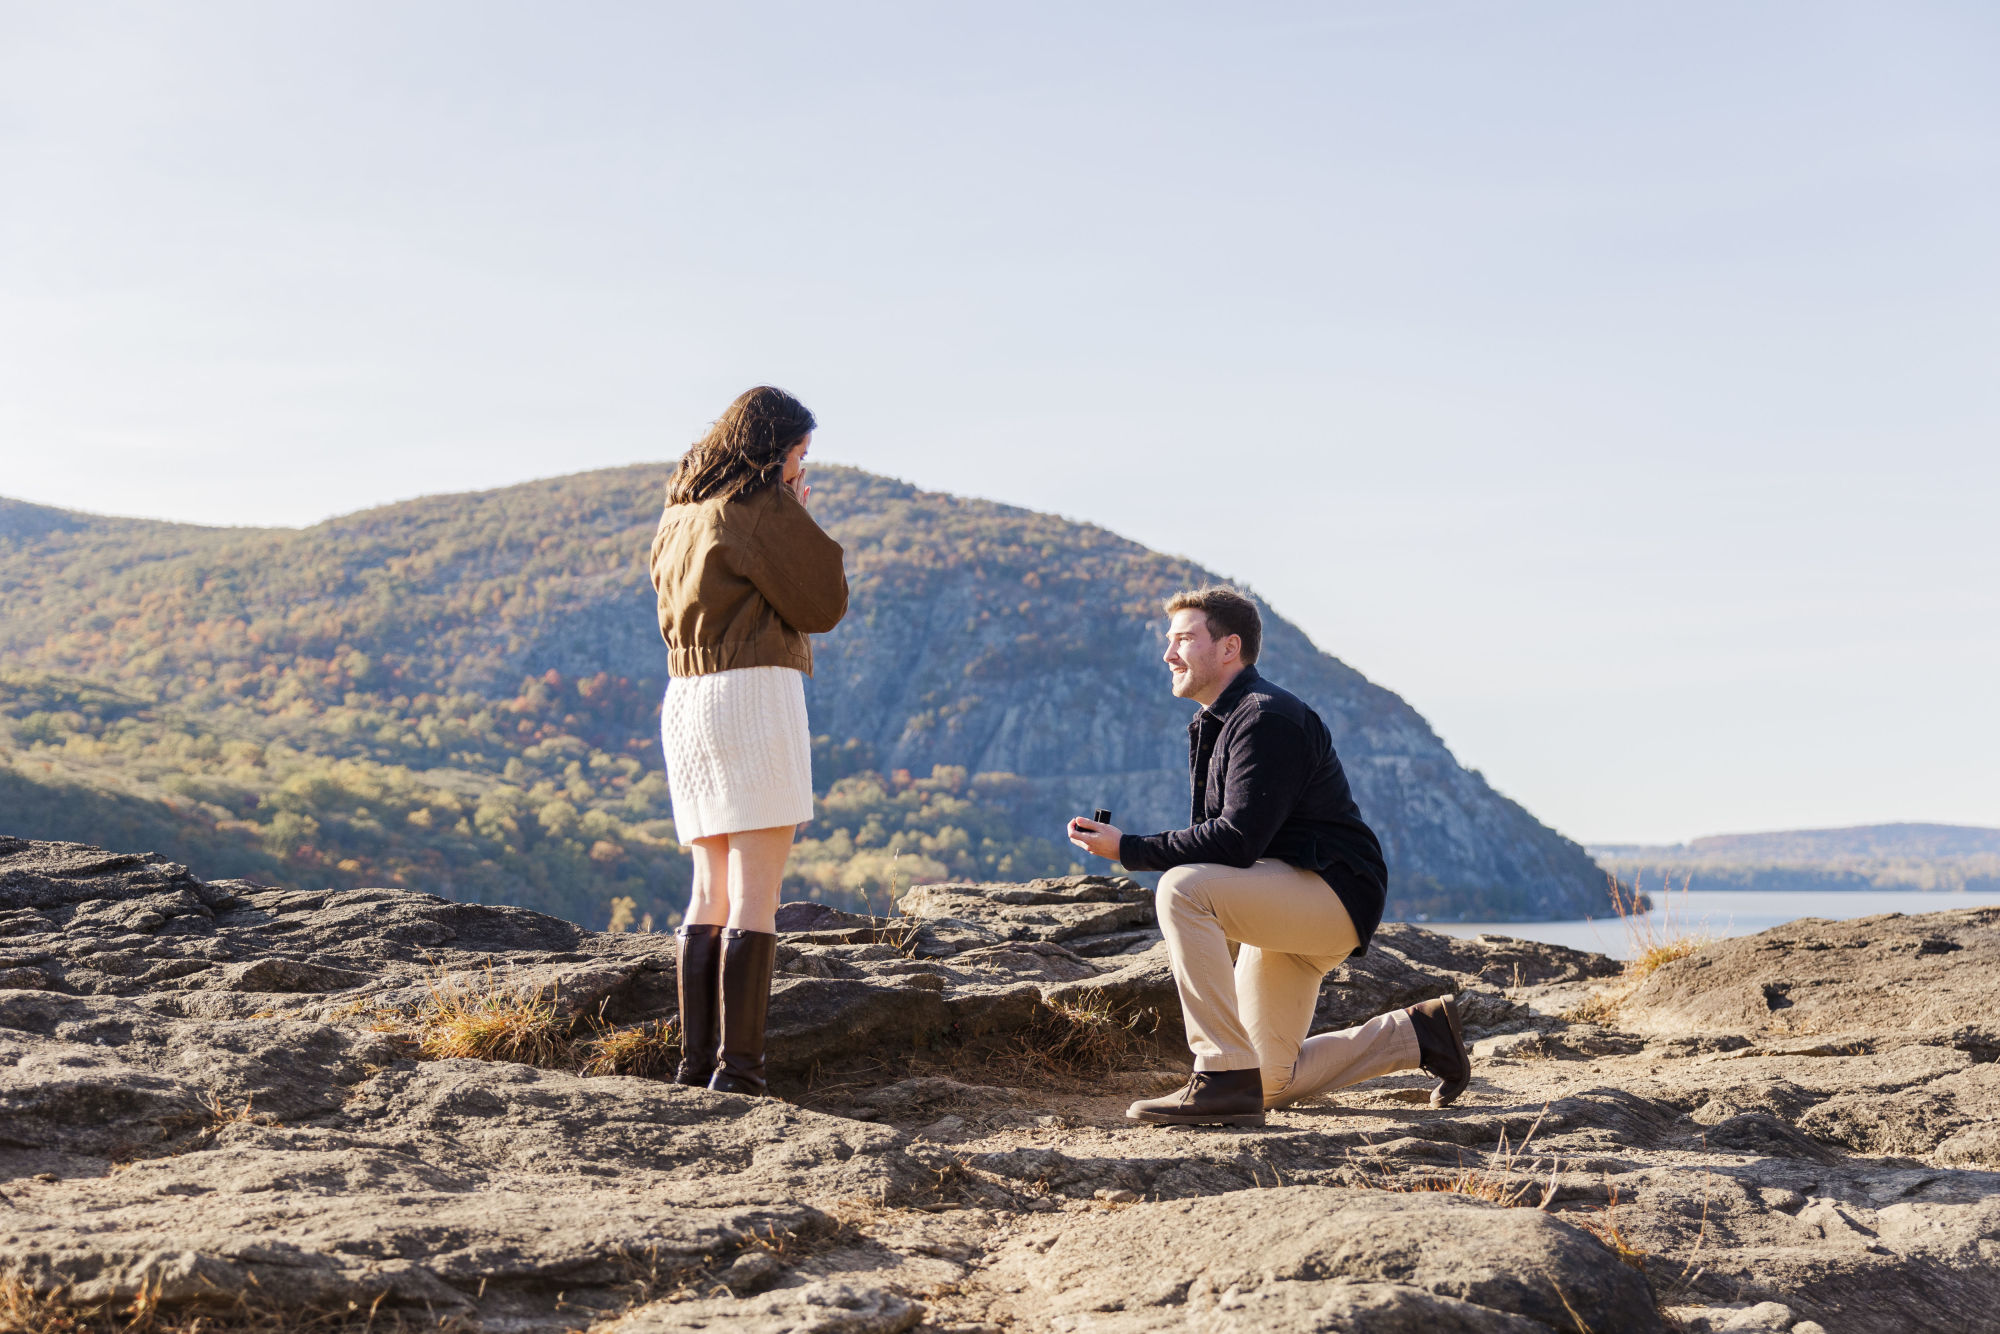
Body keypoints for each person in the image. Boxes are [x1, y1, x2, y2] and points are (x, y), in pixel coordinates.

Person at [1067, 586, 1471, 1126]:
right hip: (1289, 904)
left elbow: (1236, 841)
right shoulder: (1219, 721)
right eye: (1169, 640)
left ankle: (1217, 1073)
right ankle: (1420, 1034)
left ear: (1229, 647)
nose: (1168, 654)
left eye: (1184, 639)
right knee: (1268, 1083)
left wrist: (1130, 849)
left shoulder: (1266, 717)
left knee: (1182, 888)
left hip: (1330, 894)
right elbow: (1229, 847)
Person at [649, 386, 848, 1096]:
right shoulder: (758, 508)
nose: (801, 467)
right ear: (775, 450)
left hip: (688, 698)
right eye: (799, 455)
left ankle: (694, 1064)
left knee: (708, 889)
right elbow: (824, 603)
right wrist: (796, 505)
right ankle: (741, 1072)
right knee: (757, 893)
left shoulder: (678, 517)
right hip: (754, 691)